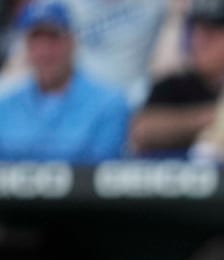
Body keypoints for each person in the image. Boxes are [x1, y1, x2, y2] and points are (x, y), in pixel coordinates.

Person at [0, 1, 130, 162]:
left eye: (54, 39)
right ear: (26, 46)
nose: (45, 51)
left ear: (72, 42)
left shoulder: (109, 103)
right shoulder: (5, 104)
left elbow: (100, 169)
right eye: (36, 40)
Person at [130, 0, 224, 157]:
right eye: (196, 31)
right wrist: (216, 116)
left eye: (211, 34)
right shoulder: (174, 84)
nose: (199, 41)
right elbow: (142, 130)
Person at [0, 0, 169, 104]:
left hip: (135, 96)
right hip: (71, 96)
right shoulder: (62, 4)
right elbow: (24, 53)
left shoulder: (155, 4)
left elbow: (168, 60)